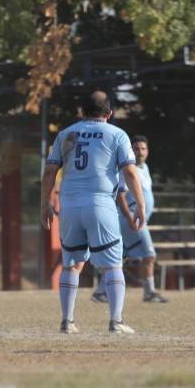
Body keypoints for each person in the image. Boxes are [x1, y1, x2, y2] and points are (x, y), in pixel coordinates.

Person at [41, 90, 145, 335]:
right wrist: (139, 205)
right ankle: (116, 321)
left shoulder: (66, 134)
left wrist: (45, 203)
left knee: (72, 263)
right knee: (112, 265)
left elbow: (49, 172)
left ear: (81, 112)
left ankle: (67, 321)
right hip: (100, 203)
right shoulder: (117, 134)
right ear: (109, 113)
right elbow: (130, 172)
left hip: (69, 204)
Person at [91, 135, 168, 303]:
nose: (140, 152)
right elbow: (121, 196)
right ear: (130, 151)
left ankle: (101, 291)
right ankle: (149, 292)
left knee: (118, 257)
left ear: (147, 151)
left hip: (136, 221)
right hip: (132, 221)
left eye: (143, 148)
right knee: (149, 255)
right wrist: (130, 217)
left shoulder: (144, 168)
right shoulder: (127, 169)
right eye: (136, 149)